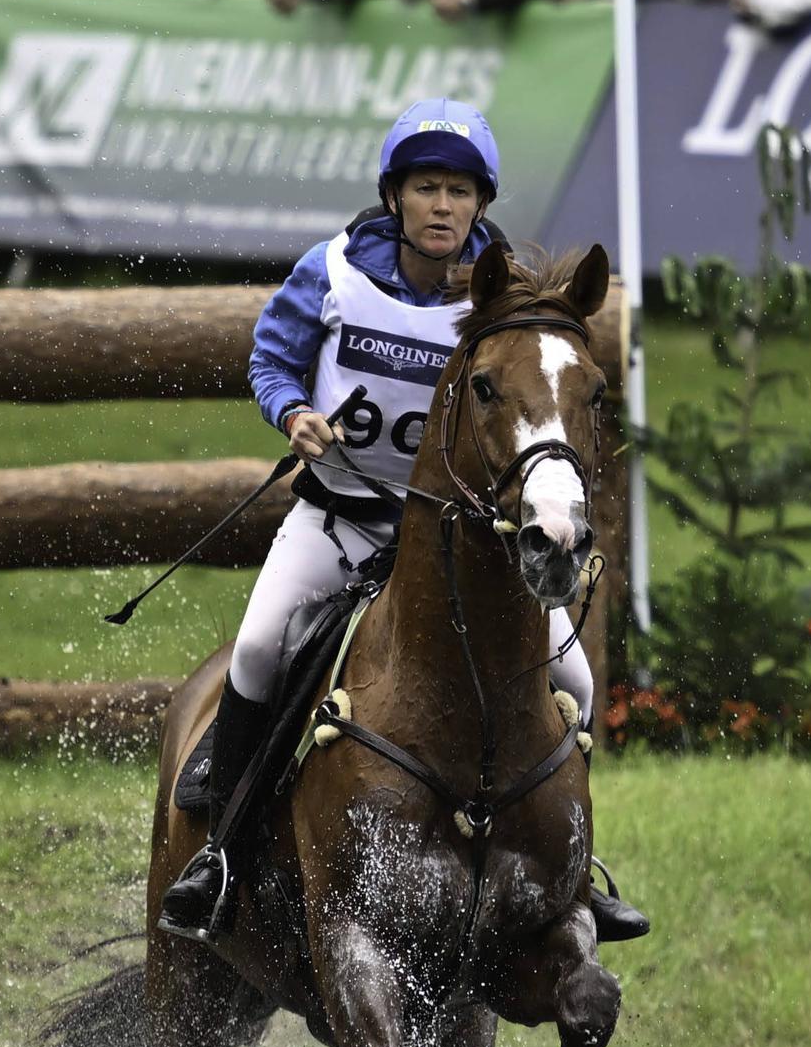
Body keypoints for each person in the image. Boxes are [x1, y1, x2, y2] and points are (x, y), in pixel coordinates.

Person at [156, 99, 650, 946]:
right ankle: (221, 854)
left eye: (460, 192)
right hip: (339, 517)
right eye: (426, 188)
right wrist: (292, 413)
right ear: (395, 197)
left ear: (480, 207)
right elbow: (271, 359)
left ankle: (573, 877)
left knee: (575, 684)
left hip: (460, 540)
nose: (442, 208)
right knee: (260, 646)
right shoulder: (334, 271)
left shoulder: (503, 298)